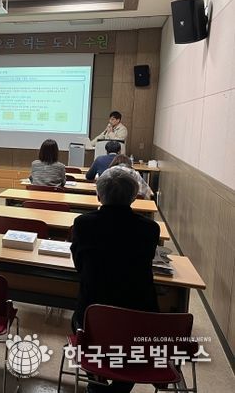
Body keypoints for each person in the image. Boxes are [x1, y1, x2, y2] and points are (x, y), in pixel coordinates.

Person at [70, 167, 160, 392]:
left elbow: (80, 266)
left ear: (98, 195)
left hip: (92, 314)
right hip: (138, 317)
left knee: (79, 324)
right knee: (132, 340)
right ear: (134, 196)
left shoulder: (83, 224)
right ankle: (120, 387)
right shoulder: (150, 229)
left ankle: (96, 384)